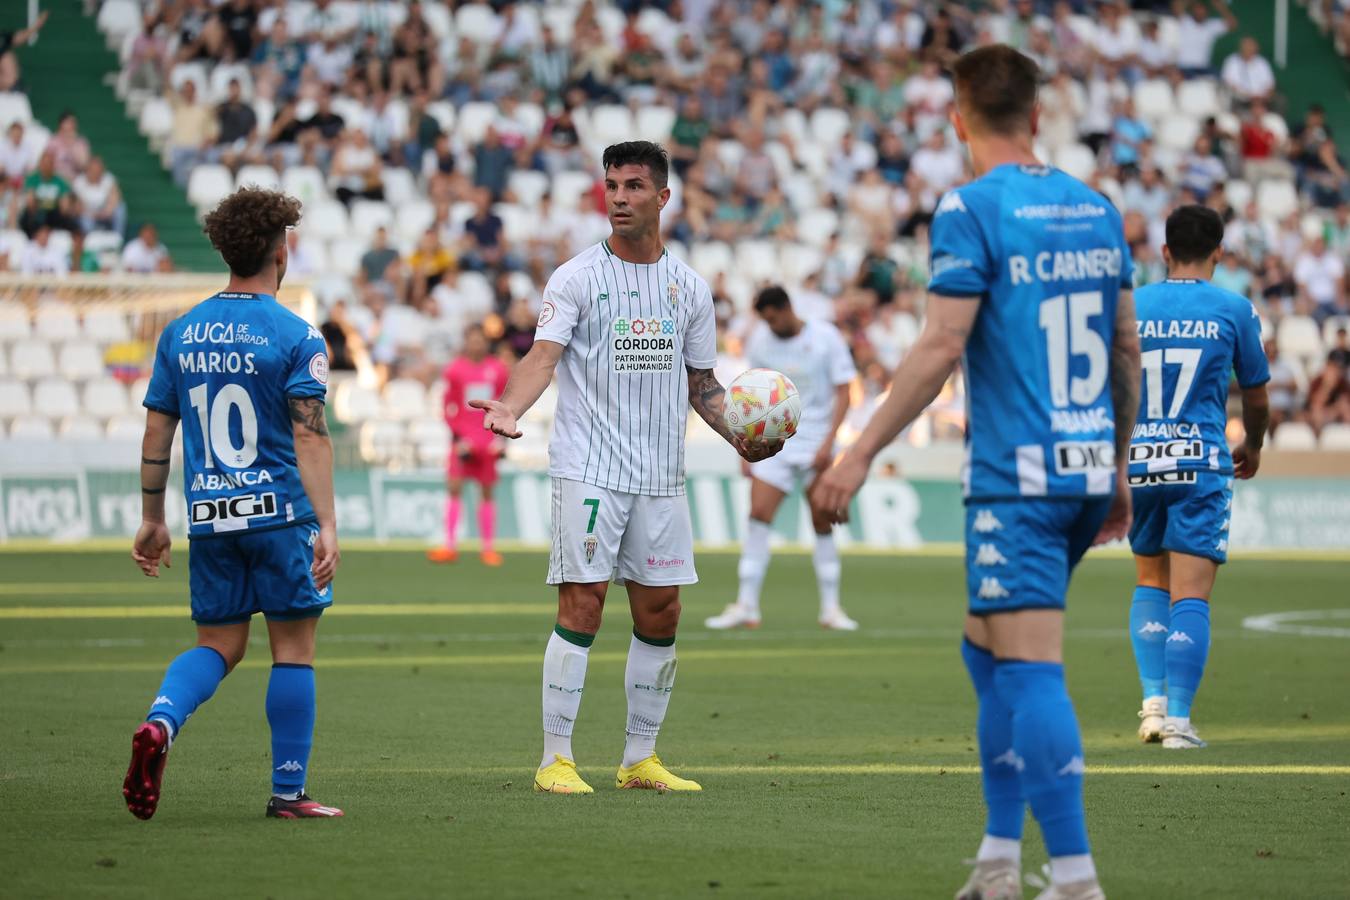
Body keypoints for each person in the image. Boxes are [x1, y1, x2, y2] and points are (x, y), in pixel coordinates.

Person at [811, 46, 1139, 900]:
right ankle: (998, 860)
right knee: (983, 641)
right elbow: (1127, 348)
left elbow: (942, 344)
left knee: (1030, 665)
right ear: (1037, 118)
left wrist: (857, 450)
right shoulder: (1098, 208)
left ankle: (1074, 876)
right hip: (1080, 467)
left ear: (958, 121)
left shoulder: (969, 208)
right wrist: (1117, 466)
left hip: (1016, 479)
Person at [471, 141, 782, 796]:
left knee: (661, 610)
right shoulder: (577, 277)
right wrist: (510, 404)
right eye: (611, 185)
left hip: (660, 473)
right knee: (583, 602)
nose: (619, 197)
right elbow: (542, 356)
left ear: (663, 198)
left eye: (635, 186)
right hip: (590, 466)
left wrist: (741, 438)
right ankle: (556, 759)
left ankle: (640, 759)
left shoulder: (689, 288)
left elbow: (705, 387)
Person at [122, 188, 343, 821]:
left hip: (212, 517)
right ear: (282, 249)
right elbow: (310, 431)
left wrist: (152, 517)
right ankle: (289, 793)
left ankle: (161, 724)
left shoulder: (181, 332)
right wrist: (326, 524)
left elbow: (157, 432)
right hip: (280, 517)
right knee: (292, 649)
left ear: (223, 249)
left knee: (219, 643)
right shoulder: (297, 334)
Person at [1125, 205, 1270, 753]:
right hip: (1200, 461)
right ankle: (1180, 723)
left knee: (1148, 581)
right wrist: (1252, 443)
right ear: (1218, 253)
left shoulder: (1131, 307)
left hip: (1140, 460)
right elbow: (1255, 395)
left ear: (1164, 253)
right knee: (1191, 594)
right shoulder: (1233, 308)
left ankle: (1153, 706)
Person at [705, 286, 858, 632]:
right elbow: (750, 396)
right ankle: (746, 604)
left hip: (818, 440)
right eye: (766, 320)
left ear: (788, 308)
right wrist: (744, 446)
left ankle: (831, 609)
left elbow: (845, 389)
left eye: (774, 318)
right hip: (775, 443)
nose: (771, 325)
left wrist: (830, 443)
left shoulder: (826, 338)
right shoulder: (761, 340)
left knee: (822, 519)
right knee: (758, 515)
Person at [428, 324, 510, 566]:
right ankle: (450, 545)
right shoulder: (455, 370)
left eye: (480, 340)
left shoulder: (497, 369)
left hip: (488, 438)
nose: (476, 344)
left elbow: (504, 404)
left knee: (486, 491)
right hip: (463, 438)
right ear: (466, 341)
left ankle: (487, 548)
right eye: (472, 339)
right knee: (454, 487)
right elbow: (447, 407)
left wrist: (501, 438)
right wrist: (457, 437)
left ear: (486, 342)